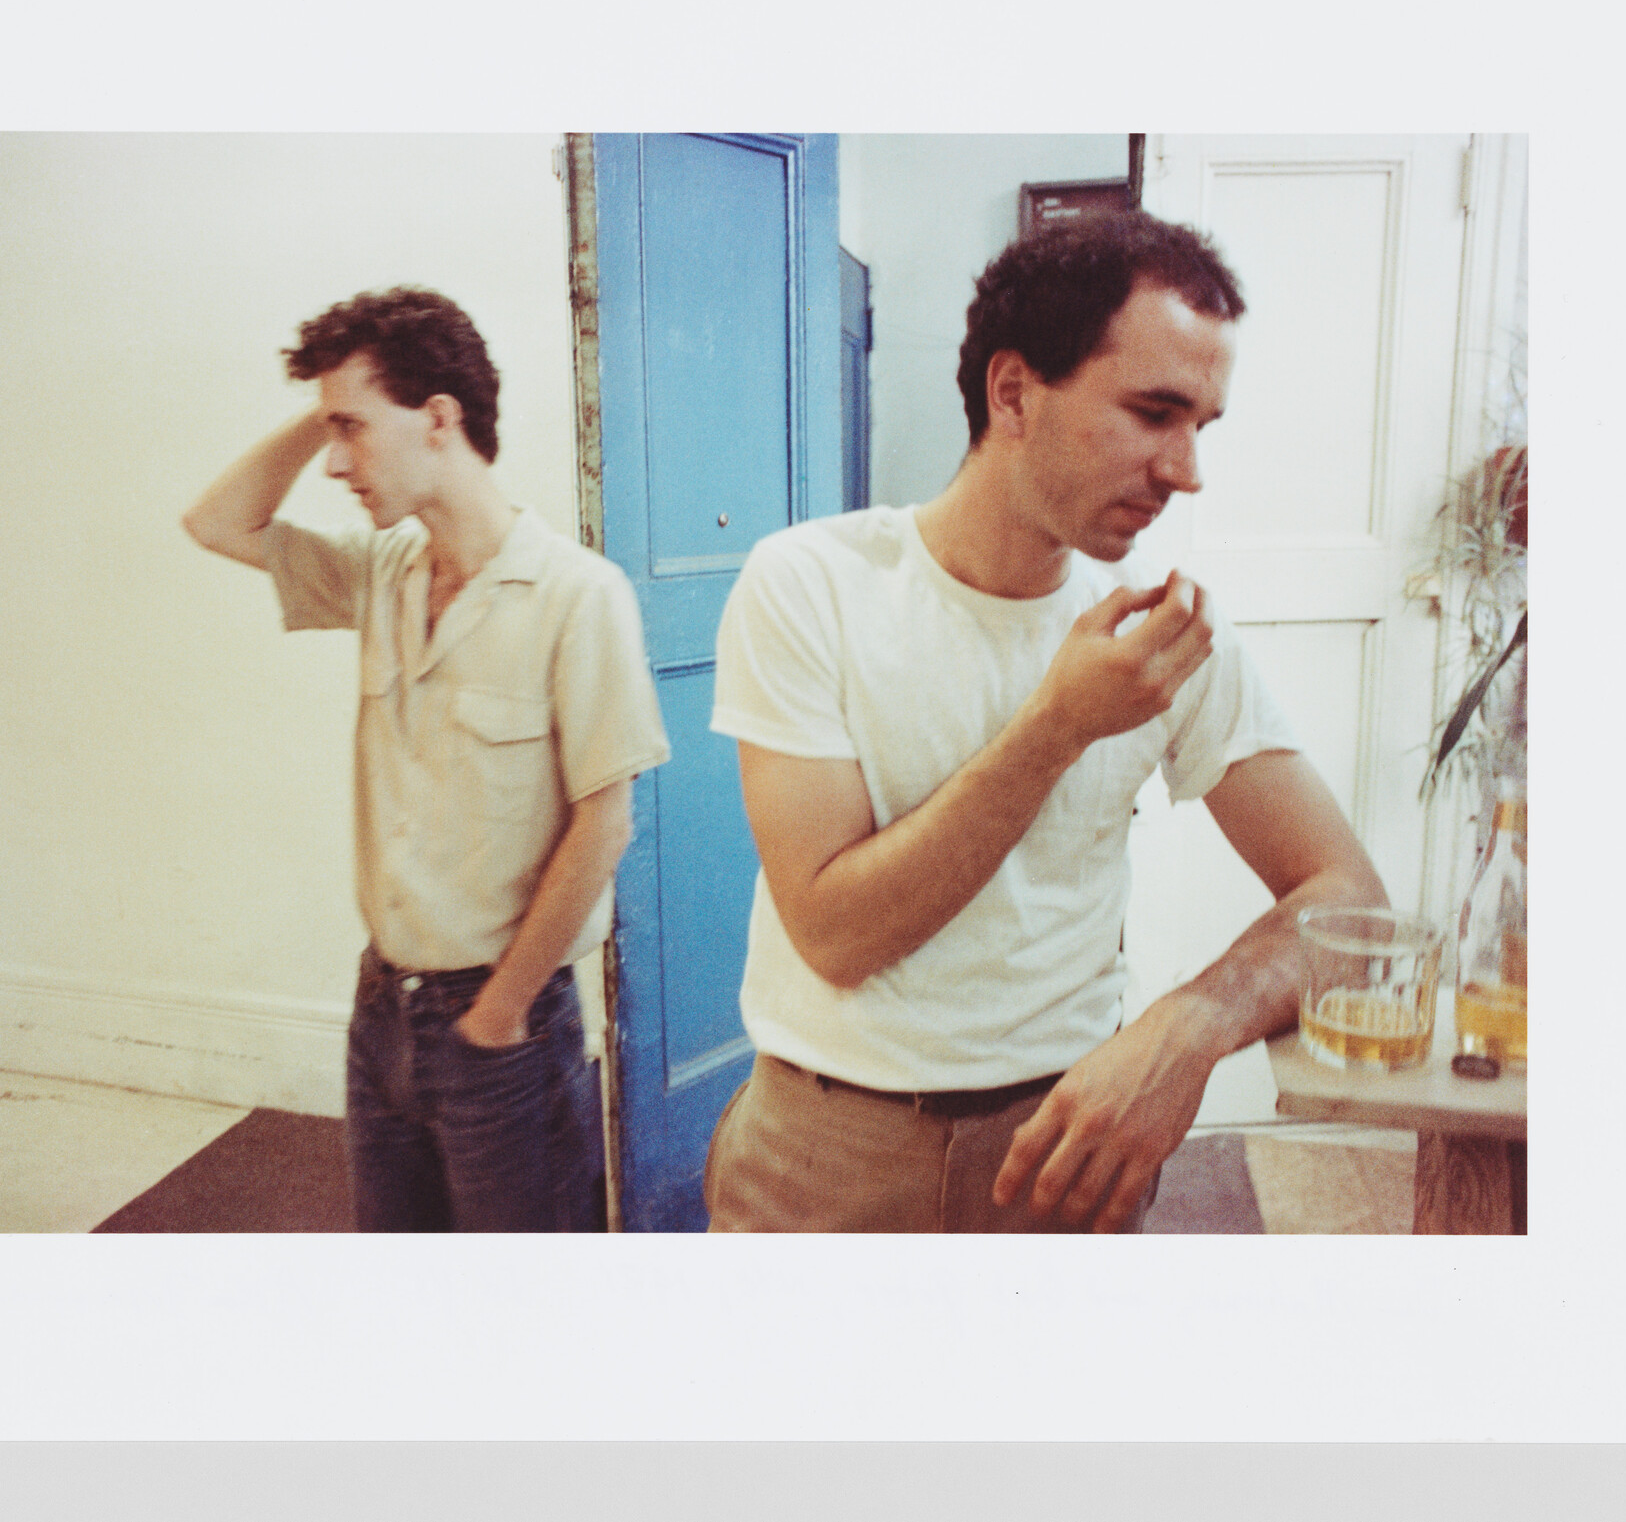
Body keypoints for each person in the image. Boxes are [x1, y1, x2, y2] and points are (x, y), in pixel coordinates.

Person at [704, 211, 1388, 1233]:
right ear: (1013, 391)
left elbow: (1347, 901)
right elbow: (837, 935)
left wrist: (1187, 1027)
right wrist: (1057, 726)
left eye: (1201, 424)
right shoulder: (809, 585)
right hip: (822, 1153)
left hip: (1064, 1152)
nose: (1186, 469)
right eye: (1153, 412)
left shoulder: (1166, 628)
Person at [183, 286, 670, 1231]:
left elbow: (604, 822)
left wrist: (500, 1011)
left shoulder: (578, 594)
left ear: (440, 418)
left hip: (504, 1024)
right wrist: (325, 407)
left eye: (352, 431)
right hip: (383, 1012)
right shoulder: (379, 576)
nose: (333, 463)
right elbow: (218, 522)